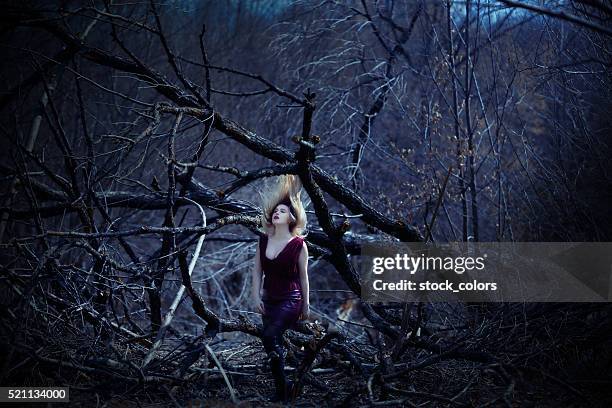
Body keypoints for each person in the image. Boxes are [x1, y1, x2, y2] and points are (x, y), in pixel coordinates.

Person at [251, 175, 310, 403]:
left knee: (270, 335)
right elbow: (257, 272)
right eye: (276, 211)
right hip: (269, 299)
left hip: (291, 299)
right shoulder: (263, 240)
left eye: (283, 211)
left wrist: (305, 304)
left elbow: (304, 278)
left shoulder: (298, 245)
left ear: (292, 217)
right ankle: (282, 390)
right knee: (270, 341)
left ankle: (285, 386)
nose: (277, 213)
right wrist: (255, 297)